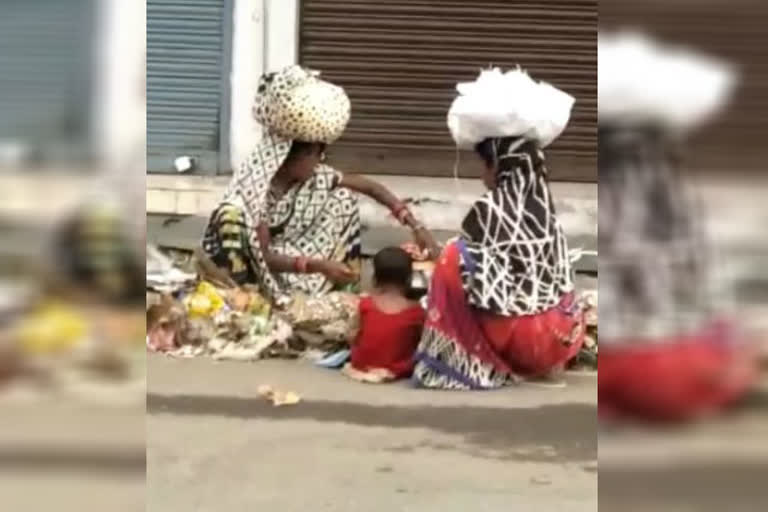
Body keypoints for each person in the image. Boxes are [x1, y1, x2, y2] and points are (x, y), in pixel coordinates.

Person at [202, 65, 438, 305]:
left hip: (300, 262)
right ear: (291, 156)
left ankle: (344, 291)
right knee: (230, 219)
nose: (320, 162)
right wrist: (316, 266)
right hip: (264, 275)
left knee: (342, 199)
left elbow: (371, 188)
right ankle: (246, 302)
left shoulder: (315, 178)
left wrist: (416, 226)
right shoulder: (257, 190)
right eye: (316, 155)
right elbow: (263, 257)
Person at [411, 68, 585, 389]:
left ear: (499, 167)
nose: (482, 176)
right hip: (562, 337)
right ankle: (547, 367)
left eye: (485, 166)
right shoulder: (546, 212)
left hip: (523, 342)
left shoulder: (488, 210)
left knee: (453, 256)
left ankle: (463, 362)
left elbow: (483, 292)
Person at [345, 247, 426, 382]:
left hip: (361, 365)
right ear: (409, 277)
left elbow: (352, 337)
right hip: (397, 369)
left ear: (375, 277)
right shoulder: (416, 311)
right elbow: (424, 343)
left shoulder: (365, 304)